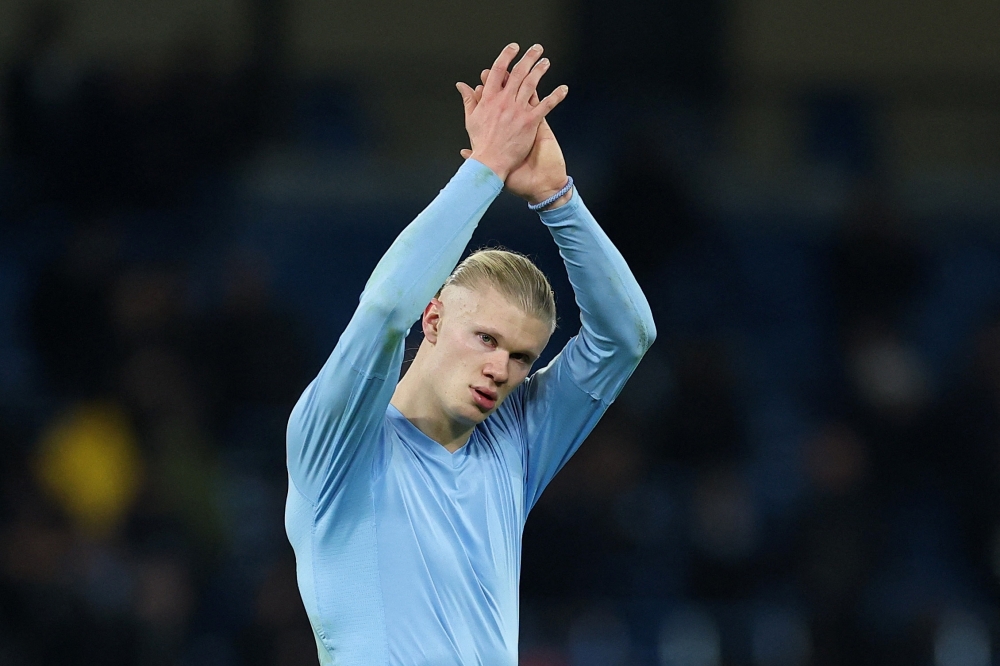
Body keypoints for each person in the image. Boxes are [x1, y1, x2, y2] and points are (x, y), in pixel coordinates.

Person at [285, 42, 655, 665]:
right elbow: (381, 311)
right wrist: (484, 168)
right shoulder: (338, 441)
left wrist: (557, 198)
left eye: (521, 358)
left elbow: (627, 337)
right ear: (431, 318)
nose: (501, 369)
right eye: (485, 338)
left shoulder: (516, 442)